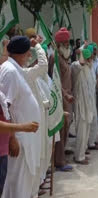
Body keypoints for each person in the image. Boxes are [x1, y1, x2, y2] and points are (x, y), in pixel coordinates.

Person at [0, 36, 41, 198]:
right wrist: (12, 138)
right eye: (27, 53)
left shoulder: (14, 68)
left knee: (21, 186)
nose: (29, 57)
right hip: (18, 139)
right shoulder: (9, 71)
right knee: (17, 186)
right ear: (19, 53)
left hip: (25, 138)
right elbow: (4, 109)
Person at [24, 28, 51, 196]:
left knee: (41, 155)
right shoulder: (24, 72)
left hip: (40, 118)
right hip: (30, 124)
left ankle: (39, 184)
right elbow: (43, 65)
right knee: (31, 162)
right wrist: (38, 46)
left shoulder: (30, 74)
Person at [49, 27, 74, 172]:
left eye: (67, 41)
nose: (67, 44)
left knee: (66, 128)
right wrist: (65, 95)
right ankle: (59, 160)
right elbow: (53, 81)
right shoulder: (55, 58)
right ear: (58, 44)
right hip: (60, 97)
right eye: (64, 42)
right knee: (60, 128)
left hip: (68, 98)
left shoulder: (65, 57)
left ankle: (61, 154)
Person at [71, 49, 96, 165]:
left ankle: (82, 153)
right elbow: (79, 64)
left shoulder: (89, 67)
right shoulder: (76, 66)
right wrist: (83, 56)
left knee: (86, 129)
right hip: (81, 104)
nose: (91, 59)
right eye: (89, 57)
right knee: (81, 130)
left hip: (89, 103)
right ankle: (78, 157)